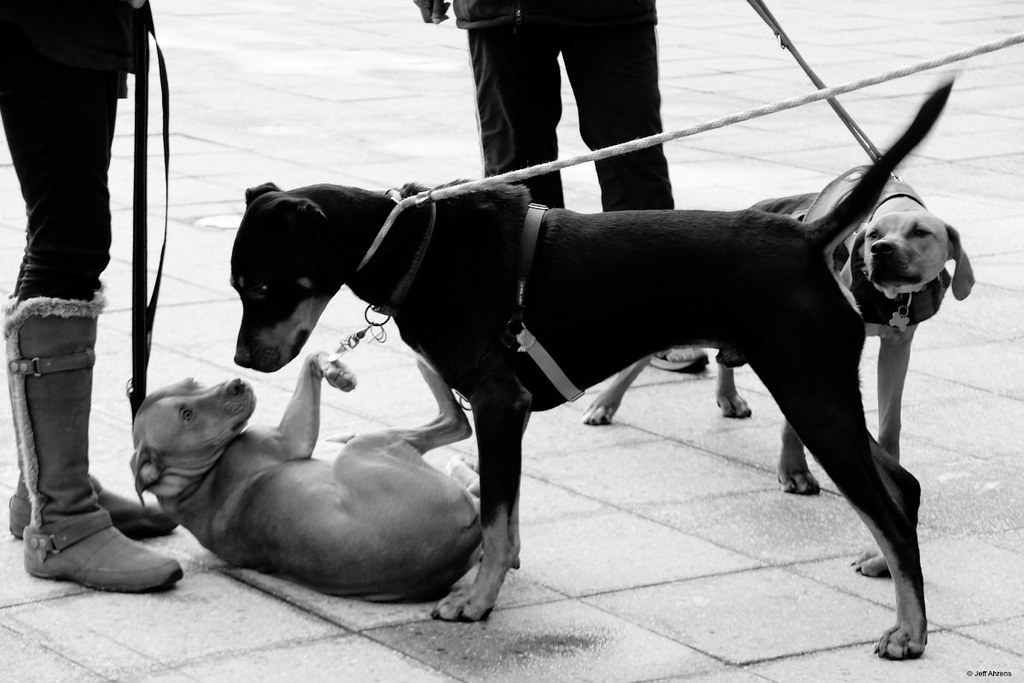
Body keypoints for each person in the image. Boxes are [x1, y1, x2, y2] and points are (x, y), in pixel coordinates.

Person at [416, 0, 708, 373]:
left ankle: (655, 313)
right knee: (518, 172)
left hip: (614, 11)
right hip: (503, 9)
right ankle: (535, 317)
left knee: (634, 157)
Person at [0, 0, 182, 592]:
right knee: (69, 242)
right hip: (45, 18)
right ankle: (63, 521)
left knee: (60, 233)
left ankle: (43, 490)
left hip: (77, 23)